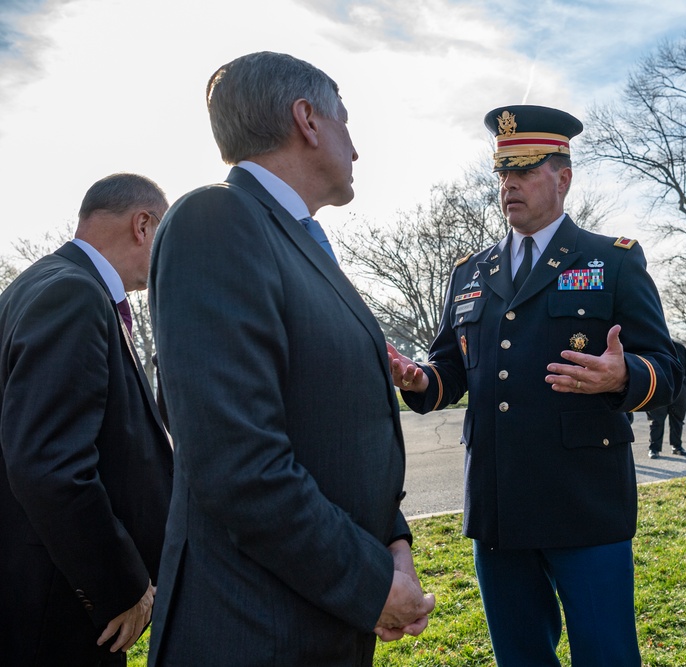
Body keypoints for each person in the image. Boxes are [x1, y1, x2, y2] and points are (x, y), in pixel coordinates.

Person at [146, 52, 434, 666]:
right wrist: (371, 582)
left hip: (314, 617)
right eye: (346, 123)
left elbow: (333, 433)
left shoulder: (294, 238)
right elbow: (237, 460)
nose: (355, 149)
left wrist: (392, 540)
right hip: (254, 630)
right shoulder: (215, 219)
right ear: (307, 119)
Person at [388, 104, 680, 666]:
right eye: (502, 173)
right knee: (520, 657)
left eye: (524, 169)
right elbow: (451, 369)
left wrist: (624, 375)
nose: (509, 184)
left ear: (563, 177)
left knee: (606, 655)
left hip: (584, 502)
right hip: (498, 504)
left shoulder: (611, 260)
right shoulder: (470, 272)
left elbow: (667, 370)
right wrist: (418, 377)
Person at [0, 173, 173, 665]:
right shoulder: (74, 295)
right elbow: (48, 465)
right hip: (58, 604)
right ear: (143, 224)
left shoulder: (38, 283)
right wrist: (121, 584)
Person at [647, 341, 686, 458]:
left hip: (681, 391)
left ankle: (677, 446)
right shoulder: (653, 345)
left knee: (677, 420)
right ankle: (654, 448)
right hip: (659, 390)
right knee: (656, 421)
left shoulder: (679, 347)